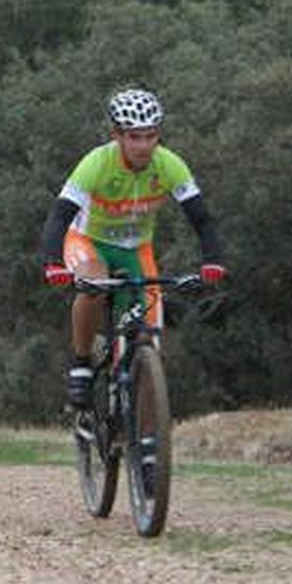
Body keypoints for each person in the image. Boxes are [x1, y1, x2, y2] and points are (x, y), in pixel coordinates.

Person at [39, 87, 226, 410]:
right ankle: (82, 363)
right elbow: (59, 215)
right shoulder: (96, 163)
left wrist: (213, 260)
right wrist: (53, 263)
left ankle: (141, 426)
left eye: (150, 136)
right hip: (88, 242)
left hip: (136, 249)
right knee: (93, 287)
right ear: (117, 136)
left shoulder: (169, 165)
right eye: (134, 137)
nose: (143, 145)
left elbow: (202, 218)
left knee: (150, 338)